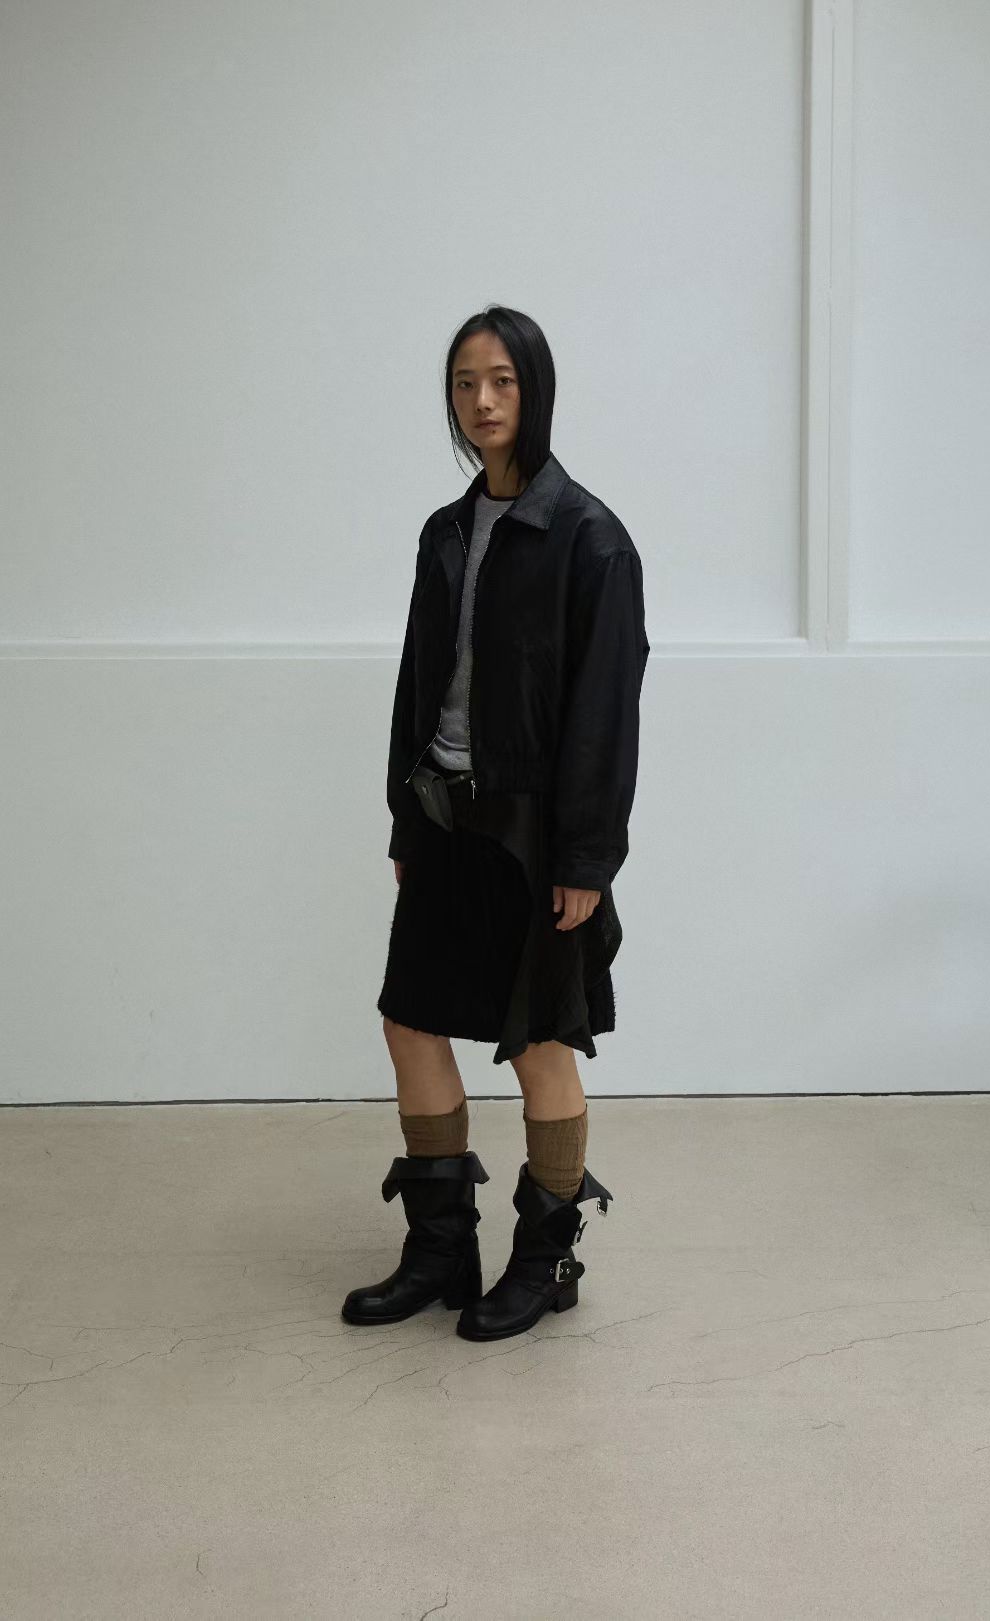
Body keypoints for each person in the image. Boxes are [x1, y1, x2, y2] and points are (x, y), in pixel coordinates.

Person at [341, 305, 649, 1342]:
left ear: (536, 390)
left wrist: (587, 859)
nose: (482, 400)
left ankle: (547, 1258)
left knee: (540, 1045)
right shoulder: (445, 530)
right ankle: (441, 1250)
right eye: (466, 381)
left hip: (535, 841)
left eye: (503, 380)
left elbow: (607, 712)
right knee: (410, 1021)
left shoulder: (590, 540)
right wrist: (404, 819)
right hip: (443, 819)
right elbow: (415, 684)